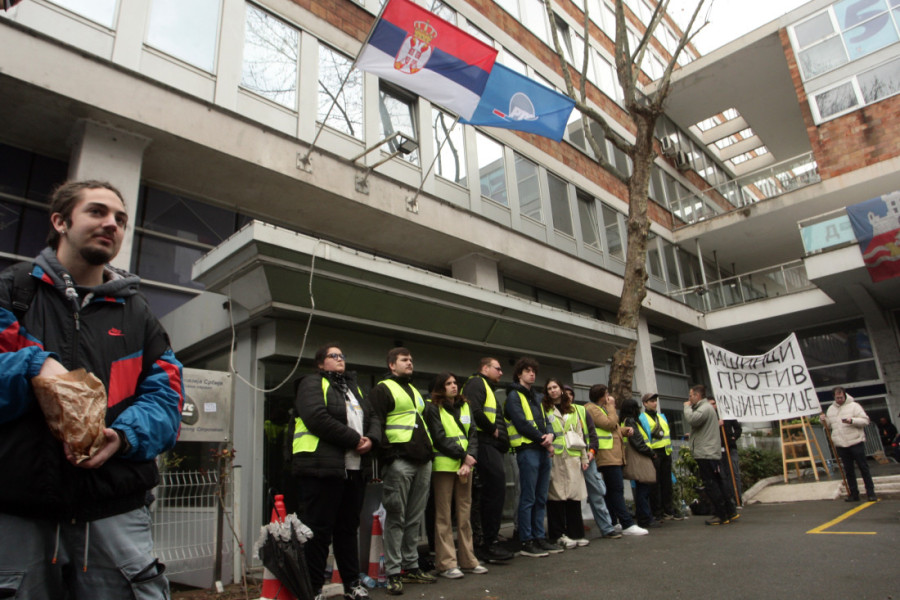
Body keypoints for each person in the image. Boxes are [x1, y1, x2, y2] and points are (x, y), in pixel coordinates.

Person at [0, 180, 184, 598]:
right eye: (97, 212)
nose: (112, 225)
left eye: (120, 219)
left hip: (113, 514)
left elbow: (167, 401)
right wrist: (34, 365)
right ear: (60, 221)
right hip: (16, 515)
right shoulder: (11, 293)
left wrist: (124, 437)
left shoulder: (139, 315)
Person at [292, 344, 378, 600]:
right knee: (318, 531)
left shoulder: (355, 387)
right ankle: (314, 588)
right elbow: (316, 417)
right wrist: (354, 439)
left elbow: (373, 416)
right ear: (320, 363)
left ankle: (352, 584)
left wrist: (371, 439)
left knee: (347, 529)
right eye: (334, 356)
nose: (340, 359)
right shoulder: (311, 383)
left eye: (342, 355)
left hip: (353, 470)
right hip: (322, 469)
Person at [368, 348, 436, 595]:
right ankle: (394, 572)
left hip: (422, 461)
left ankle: (411, 566)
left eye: (411, 359)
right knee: (396, 517)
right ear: (391, 364)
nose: (410, 363)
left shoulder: (415, 391)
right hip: (400, 462)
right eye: (405, 360)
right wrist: (390, 456)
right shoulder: (383, 389)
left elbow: (423, 423)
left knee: (414, 518)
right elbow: (376, 422)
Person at [423, 372, 487, 579]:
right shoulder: (433, 408)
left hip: (465, 466)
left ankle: (468, 559)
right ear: (439, 387)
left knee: (464, 513)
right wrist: (464, 457)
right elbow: (439, 437)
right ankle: (446, 562)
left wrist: (470, 459)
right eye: (448, 383)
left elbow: (473, 435)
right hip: (444, 465)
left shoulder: (465, 406)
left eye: (454, 383)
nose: (453, 386)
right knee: (443, 515)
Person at [504, 357, 561, 557]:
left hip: (541, 449)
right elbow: (520, 423)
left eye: (534, 371)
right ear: (519, 374)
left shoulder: (537, 397)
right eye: (527, 371)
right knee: (528, 497)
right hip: (527, 449)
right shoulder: (513, 396)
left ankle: (539, 537)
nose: (532, 374)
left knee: (540, 497)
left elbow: (546, 420)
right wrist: (543, 439)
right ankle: (526, 540)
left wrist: (550, 435)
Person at [462, 357, 514, 563]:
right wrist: (493, 430)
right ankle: (486, 543)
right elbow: (475, 411)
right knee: (492, 491)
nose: (501, 372)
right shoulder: (477, 383)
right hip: (484, 443)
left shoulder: (486, 387)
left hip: (490, 445)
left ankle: (489, 540)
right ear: (485, 368)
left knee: (494, 491)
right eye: (497, 368)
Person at [584, 384, 647, 536]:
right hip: (606, 456)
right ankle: (627, 523)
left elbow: (613, 427)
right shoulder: (592, 409)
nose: (609, 398)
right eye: (606, 394)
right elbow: (608, 424)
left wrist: (624, 431)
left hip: (612, 455)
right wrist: (611, 407)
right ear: (601, 396)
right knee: (616, 490)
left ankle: (614, 521)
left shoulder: (601, 409)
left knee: (611, 491)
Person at [569, 385, 619, 540]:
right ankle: (574, 531)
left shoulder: (582, 410)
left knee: (597, 492)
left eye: (571, 394)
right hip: (568, 458)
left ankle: (607, 528)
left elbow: (592, 433)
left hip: (587, 457)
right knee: (571, 496)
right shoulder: (555, 412)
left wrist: (592, 451)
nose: (568, 397)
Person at [544, 379, 589, 549]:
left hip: (572, 457)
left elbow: (579, 434)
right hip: (555, 457)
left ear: (561, 389)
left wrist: (584, 458)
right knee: (556, 496)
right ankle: (558, 534)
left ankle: (576, 533)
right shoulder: (545, 409)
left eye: (555, 387)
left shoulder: (572, 410)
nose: (553, 390)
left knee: (573, 495)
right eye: (549, 388)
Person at [684, 384, 734, 525]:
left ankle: (721, 514)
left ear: (697, 396)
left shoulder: (704, 408)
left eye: (691, 395)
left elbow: (693, 419)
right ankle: (728, 511)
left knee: (711, 483)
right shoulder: (706, 408)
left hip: (706, 453)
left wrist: (686, 407)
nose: (689, 398)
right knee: (717, 482)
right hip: (709, 451)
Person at [822, 387, 877, 502]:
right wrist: (823, 420)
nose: (840, 399)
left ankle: (871, 493)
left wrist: (852, 420)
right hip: (841, 444)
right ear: (834, 397)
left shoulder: (854, 406)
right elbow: (829, 426)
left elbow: (865, 420)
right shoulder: (831, 409)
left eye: (841, 397)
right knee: (848, 470)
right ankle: (854, 493)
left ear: (845, 395)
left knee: (863, 468)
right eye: (837, 398)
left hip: (856, 441)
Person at [639, 392, 682, 521]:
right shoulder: (642, 418)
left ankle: (668, 510)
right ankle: (657, 511)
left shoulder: (661, 416)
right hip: (654, 454)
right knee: (655, 484)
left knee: (666, 483)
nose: (654, 403)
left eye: (655, 401)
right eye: (651, 401)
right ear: (645, 403)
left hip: (666, 452)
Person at [621, 397, 659, 529]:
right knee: (644, 489)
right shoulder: (631, 421)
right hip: (640, 458)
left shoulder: (624, 421)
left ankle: (644, 517)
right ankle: (645, 518)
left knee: (641, 489)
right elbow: (638, 442)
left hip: (635, 457)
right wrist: (651, 453)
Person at [708, 397, 743, 508]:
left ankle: (738, 498)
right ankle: (729, 499)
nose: (713, 406)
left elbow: (738, 429)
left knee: (734, 473)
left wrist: (733, 438)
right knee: (723, 475)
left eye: (714, 404)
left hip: (730, 448)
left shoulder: (727, 415)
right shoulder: (709, 418)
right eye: (710, 404)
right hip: (718, 450)